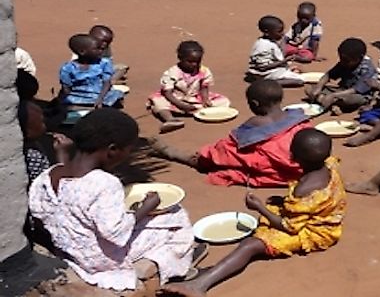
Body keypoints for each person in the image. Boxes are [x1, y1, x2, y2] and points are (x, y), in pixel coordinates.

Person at [28, 109, 201, 292]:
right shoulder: (105, 184)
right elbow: (116, 234)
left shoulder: (47, 176)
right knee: (175, 217)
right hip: (101, 260)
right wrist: (146, 207)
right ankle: (167, 264)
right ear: (112, 150)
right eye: (128, 150)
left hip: (71, 251)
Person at [159, 129, 346, 297]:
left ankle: (199, 285)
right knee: (271, 211)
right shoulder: (329, 165)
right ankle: (212, 272)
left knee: (250, 245)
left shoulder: (304, 190)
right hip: (322, 218)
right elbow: (314, 203)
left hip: (313, 232)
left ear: (294, 157)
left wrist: (259, 207)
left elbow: (289, 227)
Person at [149, 80, 312, 187]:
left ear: (254, 104)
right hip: (302, 167)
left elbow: (235, 143)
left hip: (277, 165)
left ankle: (184, 157)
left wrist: (214, 152)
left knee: (223, 151)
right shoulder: (296, 117)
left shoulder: (256, 122)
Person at [148, 40, 230, 133]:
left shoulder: (204, 70)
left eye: (197, 61)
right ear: (180, 58)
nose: (194, 64)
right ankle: (170, 120)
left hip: (194, 98)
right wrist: (180, 105)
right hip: (175, 99)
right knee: (158, 101)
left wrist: (205, 100)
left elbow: (204, 87)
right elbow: (168, 93)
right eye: (190, 61)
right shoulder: (172, 72)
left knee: (223, 101)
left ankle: (200, 111)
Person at [306, 38, 377, 114]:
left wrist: (333, 95)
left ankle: (327, 101)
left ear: (360, 57)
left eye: (347, 60)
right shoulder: (344, 62)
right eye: (341, 59)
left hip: (358, 95)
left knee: (351, 100)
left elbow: (355, 90)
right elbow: (328, 75)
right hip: (341, 91)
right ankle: (331, 103)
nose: (342, 62)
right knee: (310, 89)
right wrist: (318, 87)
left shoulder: (367, 69)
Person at [59, 34, 124, 109]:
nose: (100, 51)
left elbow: (106, 82)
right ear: (82, 52)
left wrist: (100, 99)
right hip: (78, 95)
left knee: (115, 95)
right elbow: (66, 87)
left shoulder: (104, 63)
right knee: (67, 102)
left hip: (100, 94)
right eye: (96, 49)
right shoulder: (67, 68)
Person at [245, 15, 304, 88]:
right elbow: (262, 67)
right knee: (299, 81)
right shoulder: (263, 46)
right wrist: (285, 61)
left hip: (269, 70)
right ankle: (270, 82)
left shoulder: (268, 41)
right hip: (265, 74)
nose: (282, 33)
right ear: (267, 32)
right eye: (279, 31)